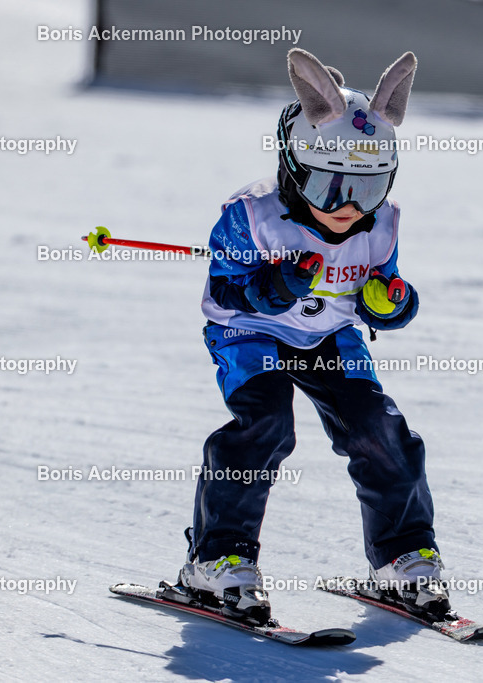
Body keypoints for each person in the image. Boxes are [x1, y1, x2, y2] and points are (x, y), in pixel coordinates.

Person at [178, 48, 450, 625]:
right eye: (330, 188)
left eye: (367, 190)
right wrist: (270, 288)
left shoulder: (383, 222)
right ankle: (216, 560)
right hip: (252, 334)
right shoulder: (252, 215)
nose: (348, 208)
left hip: (331, 336)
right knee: (264, 427)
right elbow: (225, 292)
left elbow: (382, 291)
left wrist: (392, 303)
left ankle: (403, 556)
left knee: (381, 430)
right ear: (296, 168)